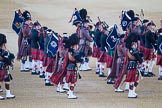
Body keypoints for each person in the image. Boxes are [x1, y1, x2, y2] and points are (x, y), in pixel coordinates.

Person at [125, 32, 143, 98]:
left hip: (133, 65)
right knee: (132, 80)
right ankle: (130, 93)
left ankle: (133, 91)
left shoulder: (131, 49)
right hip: (133, 66)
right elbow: (138, 58)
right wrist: (141, 59)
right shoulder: (133, 50)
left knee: (138, 79)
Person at [66, 33, 84, 99]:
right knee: (73, 82)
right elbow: (78, 59)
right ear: (75, 45)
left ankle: (69, 92)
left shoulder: (69, 51)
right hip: (73, 68)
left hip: (69, 67)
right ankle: (71, 93)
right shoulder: (74, 52)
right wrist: (81, 60)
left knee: (71, 81)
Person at [0, 33, 15, 100]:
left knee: (7, 80)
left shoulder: (4, 50)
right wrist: (8, 60)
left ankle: (8, 93)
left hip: (5, 68)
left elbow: (11, 55)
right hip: (1, 67)